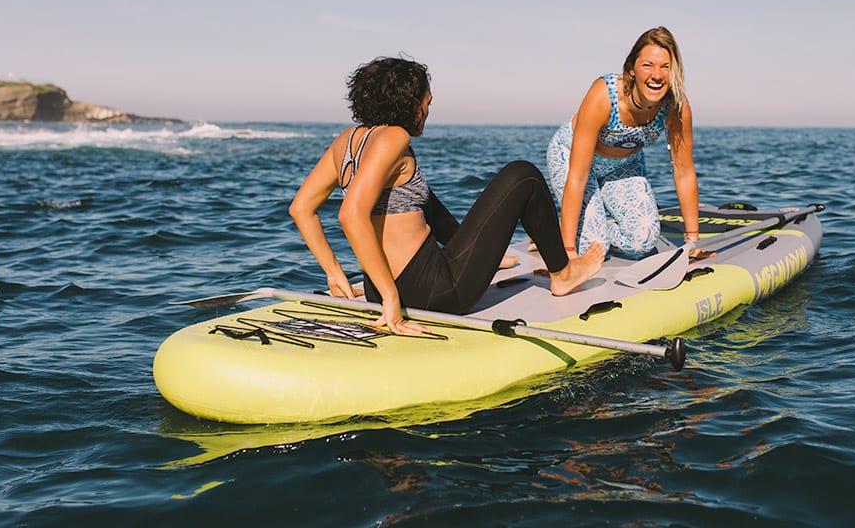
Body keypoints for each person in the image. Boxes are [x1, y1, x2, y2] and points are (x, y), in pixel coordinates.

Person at [290, 56, 604, 335]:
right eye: (426, 101)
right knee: (523, 176)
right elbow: (350, 214)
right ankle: (563, 272)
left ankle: (490, 260)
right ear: (409, 101)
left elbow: (301, 208)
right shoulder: (394, 138)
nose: (428, 108)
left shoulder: (347, 140)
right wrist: (390, 300)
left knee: (421, 194)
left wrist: (335, 274)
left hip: (379, 287)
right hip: (434, 293)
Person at [547, 26, 708, 260]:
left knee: (642, 242)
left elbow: (683, 172)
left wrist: (692, 241)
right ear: (632, 69)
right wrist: (568, 252)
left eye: (665, 66)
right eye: (647, 65)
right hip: (572, 158)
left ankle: (597, 221)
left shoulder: (676, 107)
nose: (657, 75)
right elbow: (578, 176)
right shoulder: (604, 95)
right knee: (595, 249)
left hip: (623, 166)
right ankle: (563, 230)